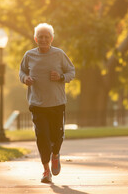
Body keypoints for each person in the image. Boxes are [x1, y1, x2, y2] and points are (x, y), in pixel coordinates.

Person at [19, 23, 75, 183]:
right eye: (40, 37)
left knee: (57, 136)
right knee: (42, 136)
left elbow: (71, 71)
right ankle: (45, 170)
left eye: (46, 37)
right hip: (37, 104)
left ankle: (55, 154)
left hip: (57, 103)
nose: (43, 39)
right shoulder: (29, 55)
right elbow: (22, 71)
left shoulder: (59, 54)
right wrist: (25, 78)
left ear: (51, 38)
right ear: (36, 38)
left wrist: (61, 77)